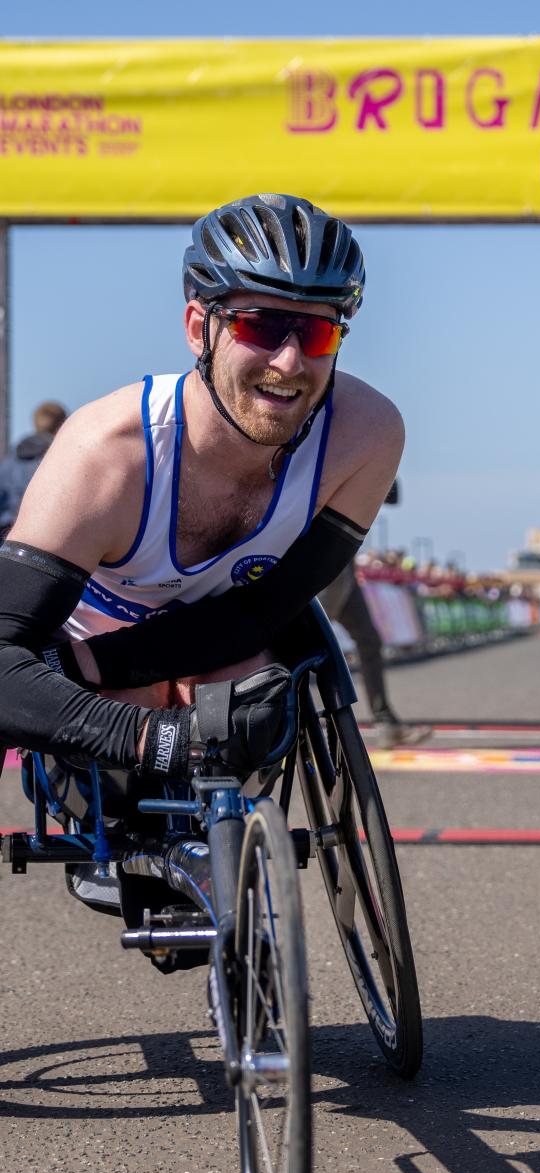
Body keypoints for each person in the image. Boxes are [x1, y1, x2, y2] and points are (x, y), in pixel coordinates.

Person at [0, 194, 405, 784]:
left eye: (317, 334)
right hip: (88, 652)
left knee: (246, 682)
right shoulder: (107, 451)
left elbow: (266, 611)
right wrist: (141, 733)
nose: (289, 361)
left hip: (223, 641)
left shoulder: (366, 434)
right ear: (199, 328)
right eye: (260, 327)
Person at [320, 479, 431, 748]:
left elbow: (392, 493)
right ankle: (287, 720)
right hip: (319, 562)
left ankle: (385, 721)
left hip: (342, 566)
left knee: (368, 640)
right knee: (309, 649)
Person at [0, 400, 68, 539]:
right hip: (43, 540)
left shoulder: (9, 461)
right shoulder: (61, 458)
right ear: (62, 424)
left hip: (6, 538)